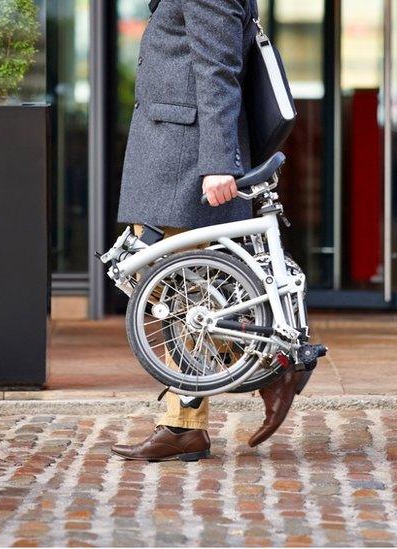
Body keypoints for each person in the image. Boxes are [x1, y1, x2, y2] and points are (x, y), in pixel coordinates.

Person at [110, 0, 305, 462]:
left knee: (173, 288)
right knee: (180, 292)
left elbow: (219, 72)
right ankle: (186, 423)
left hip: (185, 155)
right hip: (171, 148)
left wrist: (218, 163)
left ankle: (272, 369)